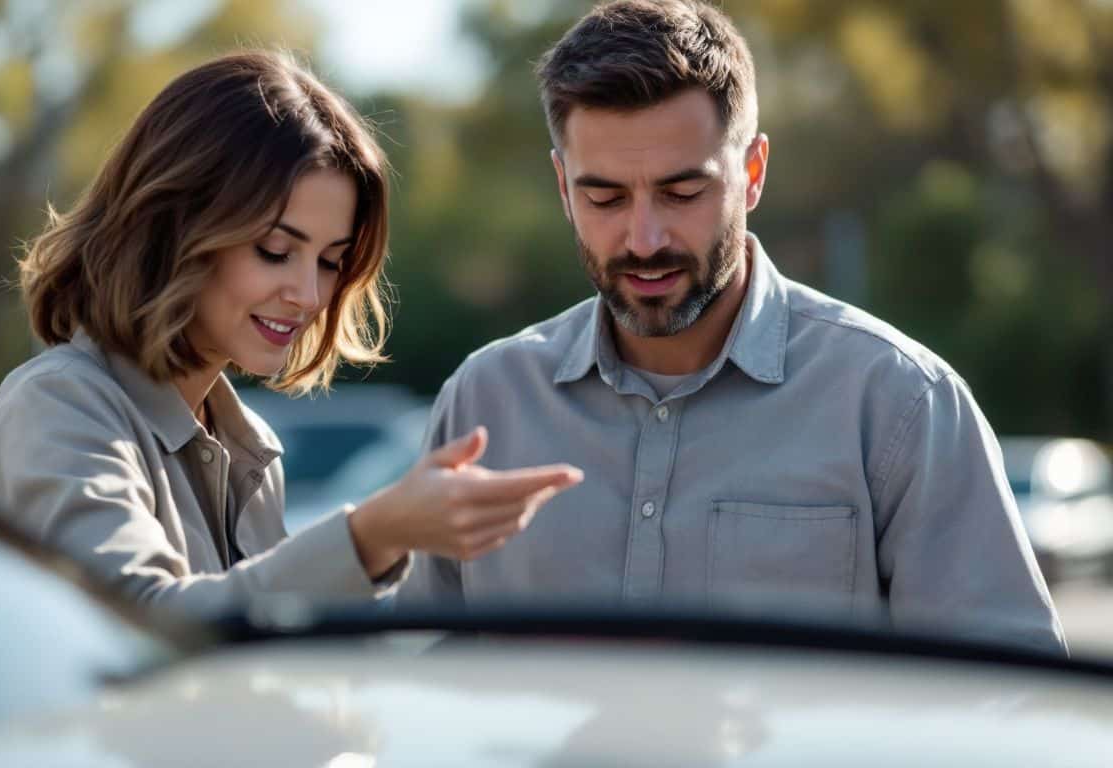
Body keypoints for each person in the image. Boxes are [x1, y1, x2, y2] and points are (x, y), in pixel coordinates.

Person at [399, 0, 1065, 654]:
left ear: (752, 173)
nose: (644, 236)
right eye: (603, 196)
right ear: (561, 186)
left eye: (682, 192)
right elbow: (416, 691)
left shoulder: (898, 404)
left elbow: (1008, 708)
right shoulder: (486, 401)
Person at [0, 51, 582, 618]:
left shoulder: (249, 446)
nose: (309, 296)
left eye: (331, 260)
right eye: (276, 250)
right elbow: (142, 633)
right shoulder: (56, 406)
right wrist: (372, 534)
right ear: (173, 227)